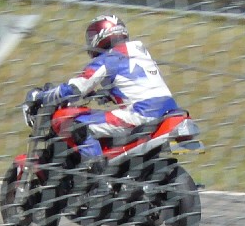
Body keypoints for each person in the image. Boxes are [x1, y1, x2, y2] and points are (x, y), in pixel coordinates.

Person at [23, 14, 180, 175]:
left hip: (142, 112)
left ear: (102, 34)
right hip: (169, 109)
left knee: (75, 124)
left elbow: (76, 87)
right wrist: (104, 94)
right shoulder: (139, 51)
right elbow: (135, 84)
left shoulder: (109, 57)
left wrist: (43, 96)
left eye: (92, 35)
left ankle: (97, 177)